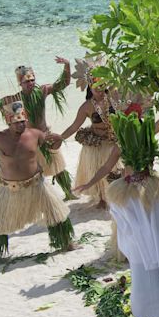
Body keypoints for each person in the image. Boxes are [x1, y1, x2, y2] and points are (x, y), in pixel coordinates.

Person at [77, 108, 159, 317]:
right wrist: (89, 184)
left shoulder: (143, 137)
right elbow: (106, 167)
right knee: (148, 258)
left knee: (151, 256)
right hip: (137, 195)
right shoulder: (127, 143)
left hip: (147, 194)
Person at [0, 104, 75, 268]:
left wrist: (58, 140)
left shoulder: (35, 134)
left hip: (37, 185)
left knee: (56, 214)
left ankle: (67, 242)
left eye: (23, 121)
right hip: (9, 189)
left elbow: (52, 148)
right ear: (8, 121)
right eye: (17, 122)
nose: (21, 125)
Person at [0, 58, 76, 200]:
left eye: (32, 80)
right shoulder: (14, 99)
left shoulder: (42, 90)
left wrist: (67, 65)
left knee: (58, 168)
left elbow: (63, 83)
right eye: (26, 81)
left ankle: (69, 193)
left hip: (45, 136)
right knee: (33, 173)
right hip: (29, 140)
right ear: (20, 83)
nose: (30, 83)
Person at [58, 58, 120, 209]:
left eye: (101, 84)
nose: (98, 88)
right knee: (98, 170)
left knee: (115, 170)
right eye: (95, 85)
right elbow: (74, 127)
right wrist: (60, 138)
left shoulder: (114, 98)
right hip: (97, 144)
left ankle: (115, 195)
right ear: (90, 86)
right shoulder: (86, 107)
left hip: (113, 141)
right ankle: (102, 198)